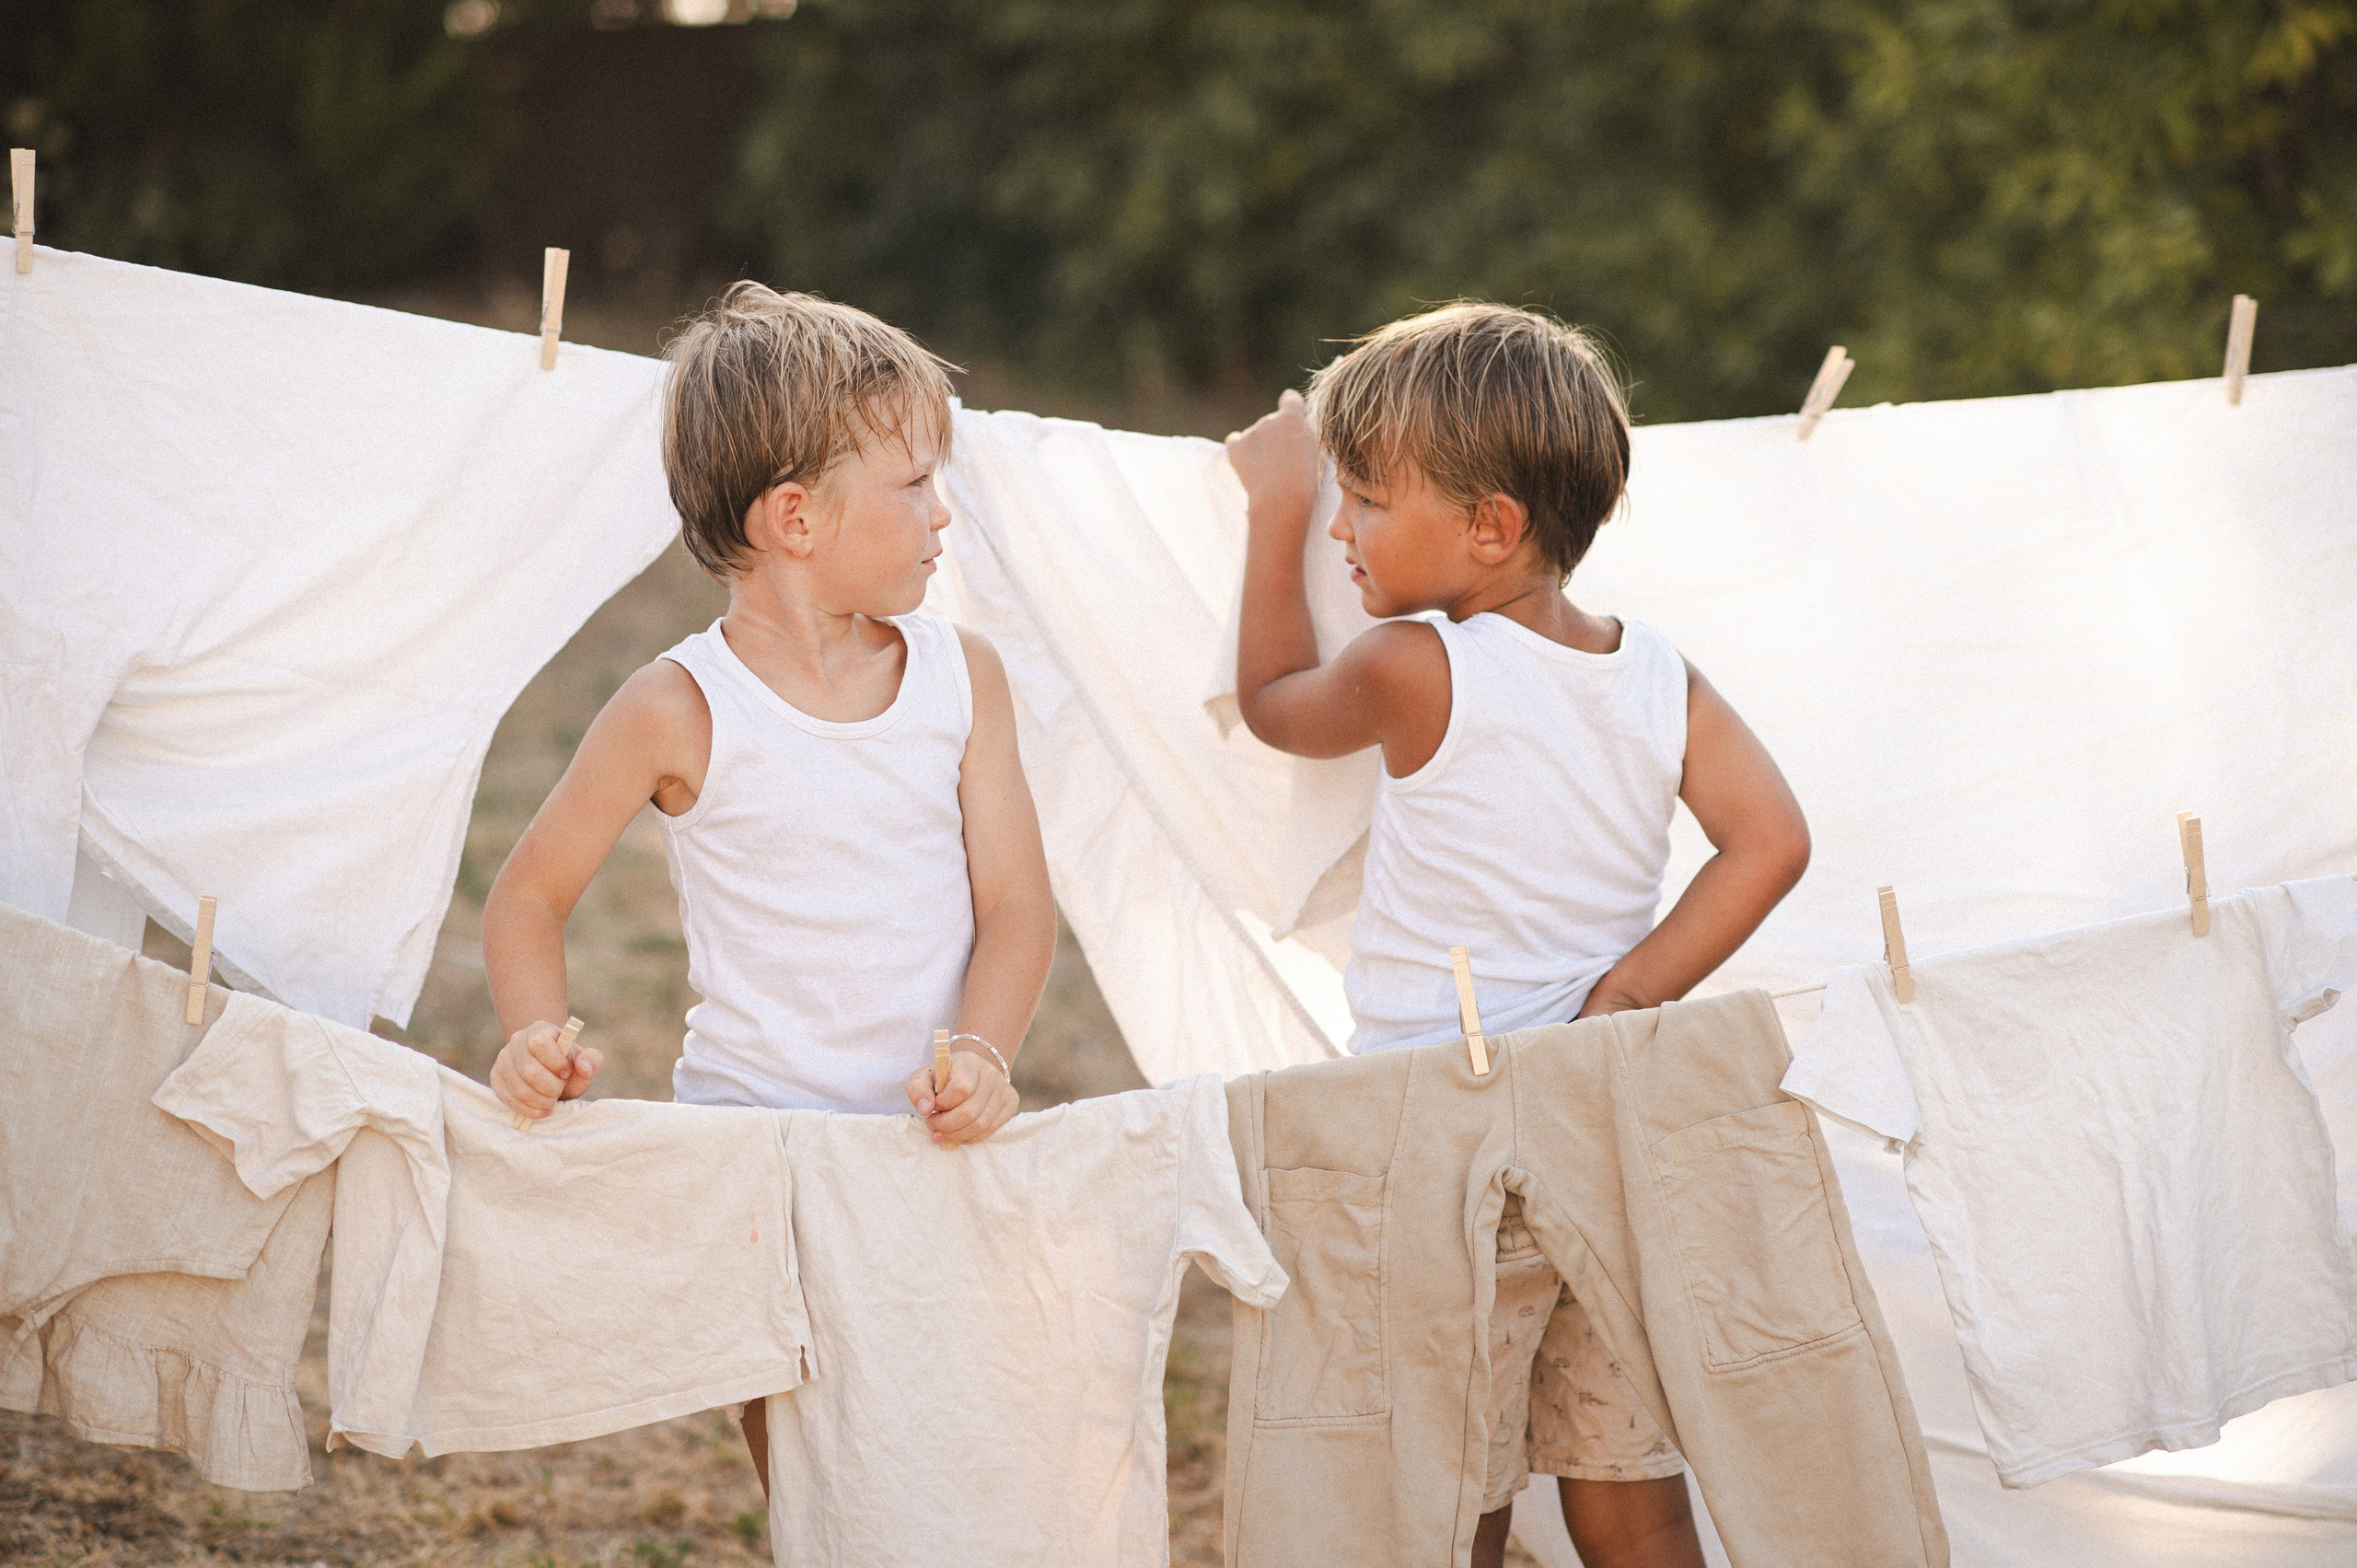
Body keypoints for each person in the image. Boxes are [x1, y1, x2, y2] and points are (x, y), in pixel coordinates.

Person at [1225, 303, 1810, 1568]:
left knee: (1454, 1494)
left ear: (1490, 528)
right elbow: (1770, 840)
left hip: (1446, 1135)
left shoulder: (1411, 664)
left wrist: (1272, 507)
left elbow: (1272, 704)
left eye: (1364, 501)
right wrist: (1630, 993)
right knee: (1630, 1487)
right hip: (1607, 1123)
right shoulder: (1659, 674)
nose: (1341, 530)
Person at [482, 282, 1058, 1490]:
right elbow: (527, 898)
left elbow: (1014, 904)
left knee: (953, 1459)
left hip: (929, 1144)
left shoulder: (964, 678)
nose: (942, 514)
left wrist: (984, 1055)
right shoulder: (675, 707)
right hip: (757, 1167)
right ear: (796, 516)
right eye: (915, 485)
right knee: (817, 1481)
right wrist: (534, 1034)